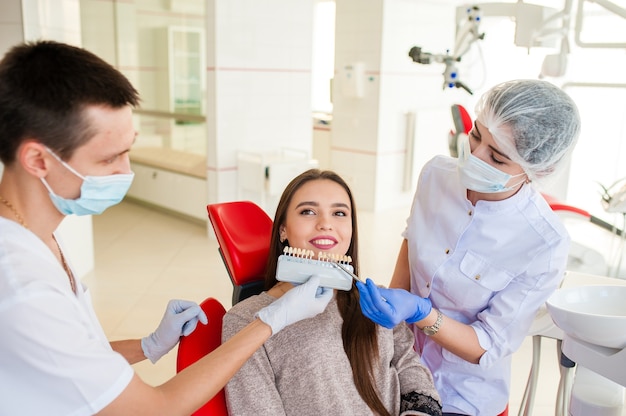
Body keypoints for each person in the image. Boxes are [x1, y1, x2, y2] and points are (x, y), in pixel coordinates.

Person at [0, 40, 333, 416]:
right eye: (110, 158)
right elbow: (156, 408)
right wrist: (271, 321)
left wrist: (147, 346)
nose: (126, 172)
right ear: (37, 160)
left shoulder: (34, 236)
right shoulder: (22, 287)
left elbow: (71, 357)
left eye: (129, 150)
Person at [356, 79, 581, 415]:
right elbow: (411, 243)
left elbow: (487, 346)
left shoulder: (543, 244)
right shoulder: (435, 175)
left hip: (463, 396)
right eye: (476, 135)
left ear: (535, 170)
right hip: (399, 368)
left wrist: (421, 313)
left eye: (497, 157)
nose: (474, 155)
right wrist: (392, 318)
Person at [222, 169, 443, 416]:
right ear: (283, 229)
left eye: (339, 213)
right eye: (308, 211)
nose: (325, 224)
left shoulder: (377, 302)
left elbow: (408, 364)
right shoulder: (246, 321)